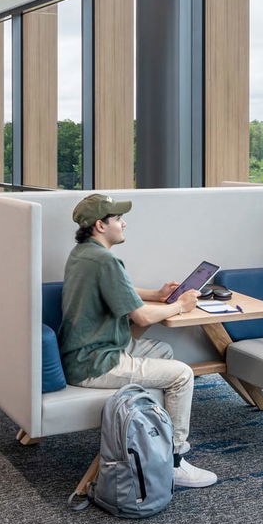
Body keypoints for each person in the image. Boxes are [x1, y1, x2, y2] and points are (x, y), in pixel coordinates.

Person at [57, 193, 218, 489]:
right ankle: (174, 461)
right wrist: (180, 305)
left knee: (163, 349)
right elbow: (142, 318)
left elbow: (122, 289)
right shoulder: (104, 260)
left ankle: (149, 434)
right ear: (100, 225)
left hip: (84, 351)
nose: (124, 223)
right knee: (182, 374)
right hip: (96, 362)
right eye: (118, 218)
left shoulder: (83, 253)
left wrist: (158, 295)